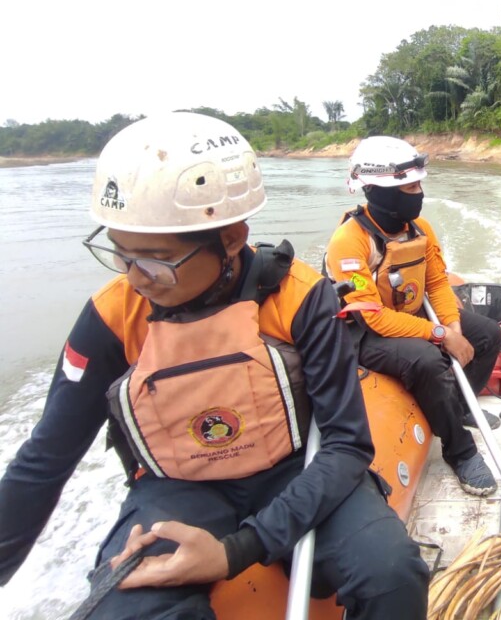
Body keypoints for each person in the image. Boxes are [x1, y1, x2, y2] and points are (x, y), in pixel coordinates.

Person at [0, 113, 429, 619]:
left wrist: (236, 551)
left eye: (157, 259)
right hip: (177, 488)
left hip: (294, 472)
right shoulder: (112, 316)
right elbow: (45, 461)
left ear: (232, 238)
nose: (138, 278)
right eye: (122, 254)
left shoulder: (298, 297)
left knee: (393, 572)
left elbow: (345, 444)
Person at [325, 136, 501, 497]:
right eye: (409, 187)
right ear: (376, 190)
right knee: (427, 360)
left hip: (411, 312)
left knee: (487, 335)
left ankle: (459, 406)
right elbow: (373, 316)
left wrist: (452, 325)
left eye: (419, 184)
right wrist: (439, 335)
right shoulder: (349, 242)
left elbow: (436, 282)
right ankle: (460, 449)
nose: (418, 194)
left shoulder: (421, 229)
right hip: (369, 332)